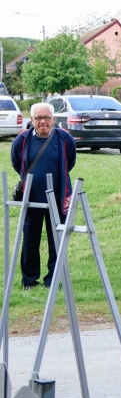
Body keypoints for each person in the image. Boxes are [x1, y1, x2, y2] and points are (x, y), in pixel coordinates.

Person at [9, 103, 76, 288]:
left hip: (58, 198)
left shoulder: (64, 139)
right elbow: (17, 163)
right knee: (30, 240)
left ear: (53, 119)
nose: (43, 122)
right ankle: (29, 280)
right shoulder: (22, 140)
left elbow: (69, 162)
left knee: (57, 240)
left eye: (47, 117)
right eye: (38, 118)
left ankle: (53, 279)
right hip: (31, 199)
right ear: (32, 120)